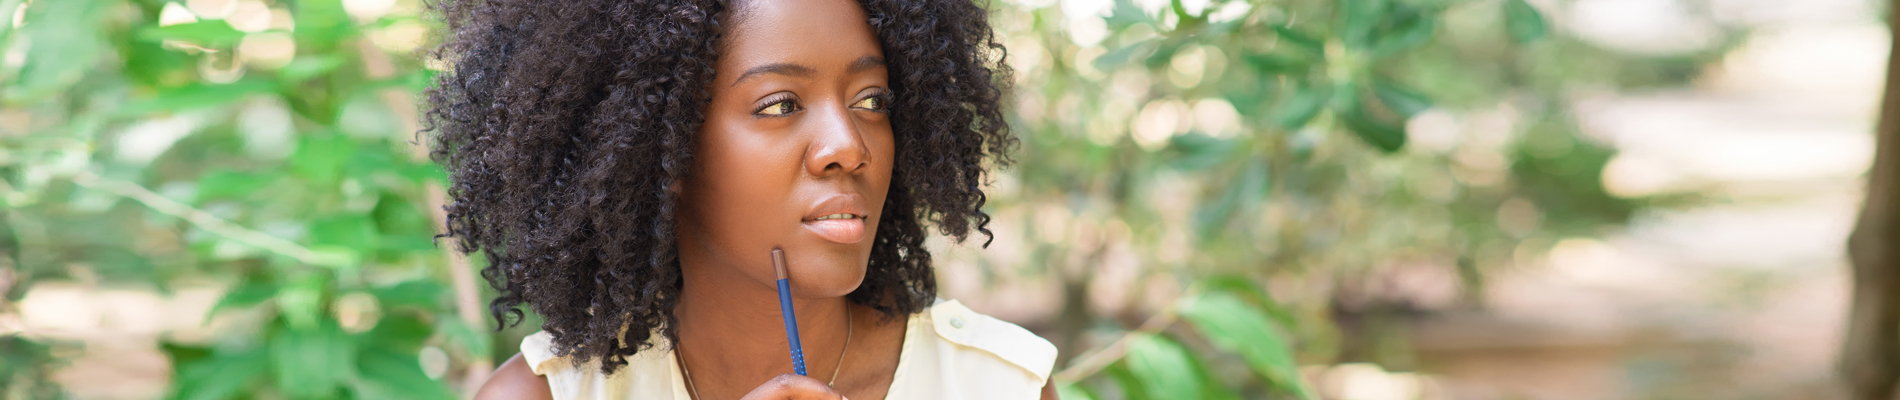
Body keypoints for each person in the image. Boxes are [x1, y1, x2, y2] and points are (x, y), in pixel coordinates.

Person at [423, 0, 1056, 398]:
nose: (849, 145)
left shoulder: (997, 385)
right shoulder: (545, 397)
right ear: (663, 152)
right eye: (780, 104)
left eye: (871, 100)